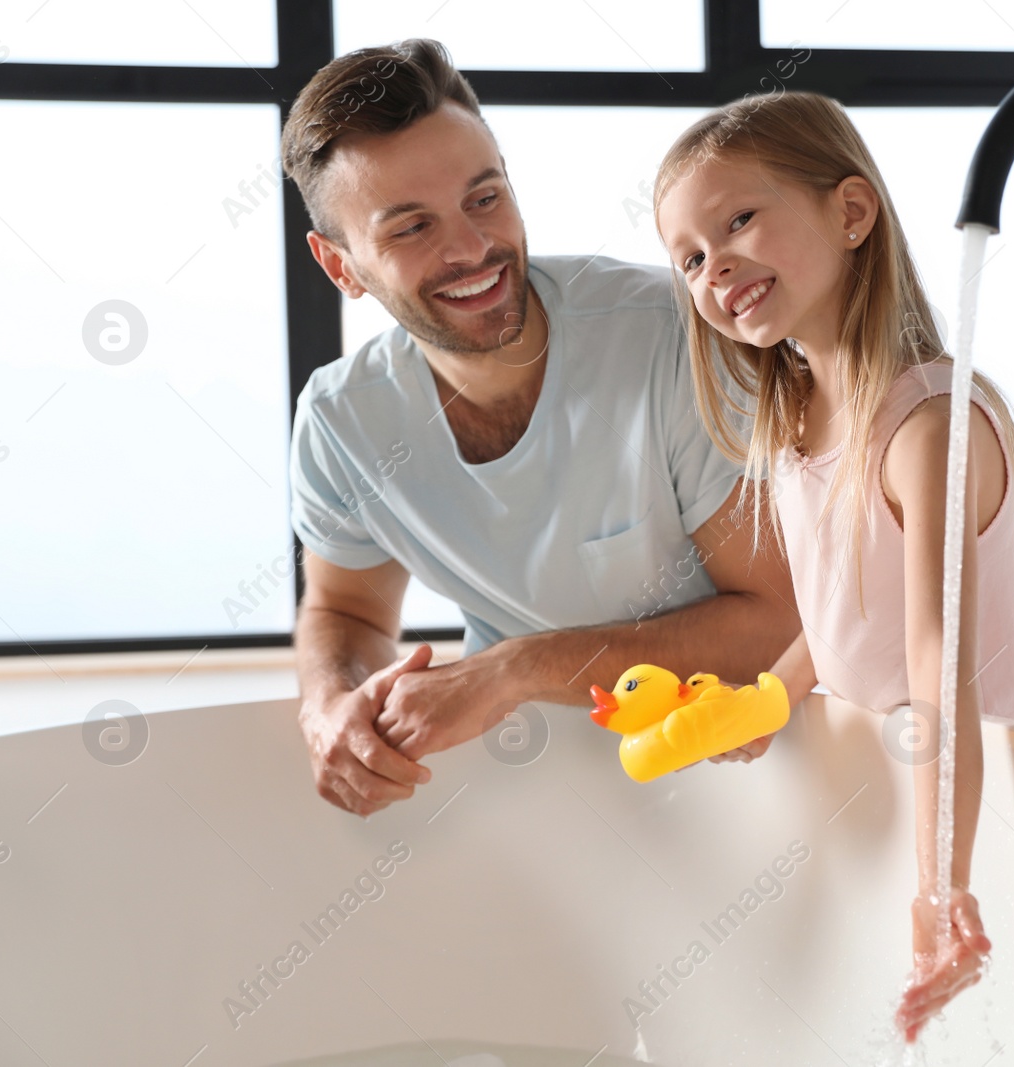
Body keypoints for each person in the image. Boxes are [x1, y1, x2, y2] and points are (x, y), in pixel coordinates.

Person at [279, 39, 799, 817]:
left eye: (484, 198)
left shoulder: (672, 335)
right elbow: (345, 613)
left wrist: (513, 670)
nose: (471, 248)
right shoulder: (340, 420)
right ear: (341, 266)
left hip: (758, 778)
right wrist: (328, 702)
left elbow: (779, 622)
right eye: (411, 228)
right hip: (541, 794)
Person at [653, 91, 1014, 1042]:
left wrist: (940, 881)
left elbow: (936, 666)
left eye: (739, 219)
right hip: (897, 795)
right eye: (692, 257)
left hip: (971, 804)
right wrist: (767, 698)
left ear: (851, 212)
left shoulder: (928, 425)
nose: (718, 267)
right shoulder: (796, 425)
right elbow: (839, 626)